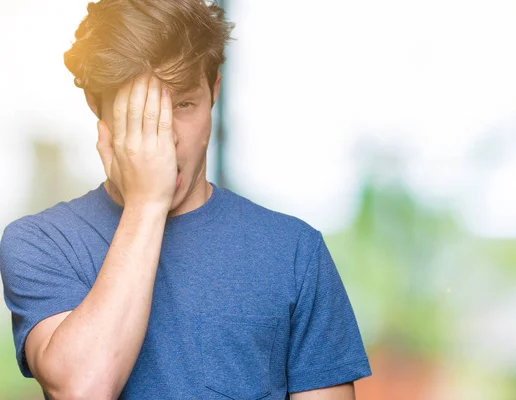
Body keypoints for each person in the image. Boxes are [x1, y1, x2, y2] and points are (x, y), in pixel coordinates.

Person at [0, 1, 372, 399]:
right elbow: (83, 390)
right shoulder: (40, 243)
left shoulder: (295, 251)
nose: (166, 137)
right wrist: (146, 203)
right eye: (142, 113)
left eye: (183, 105)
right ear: (98, 106)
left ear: (214, 91)